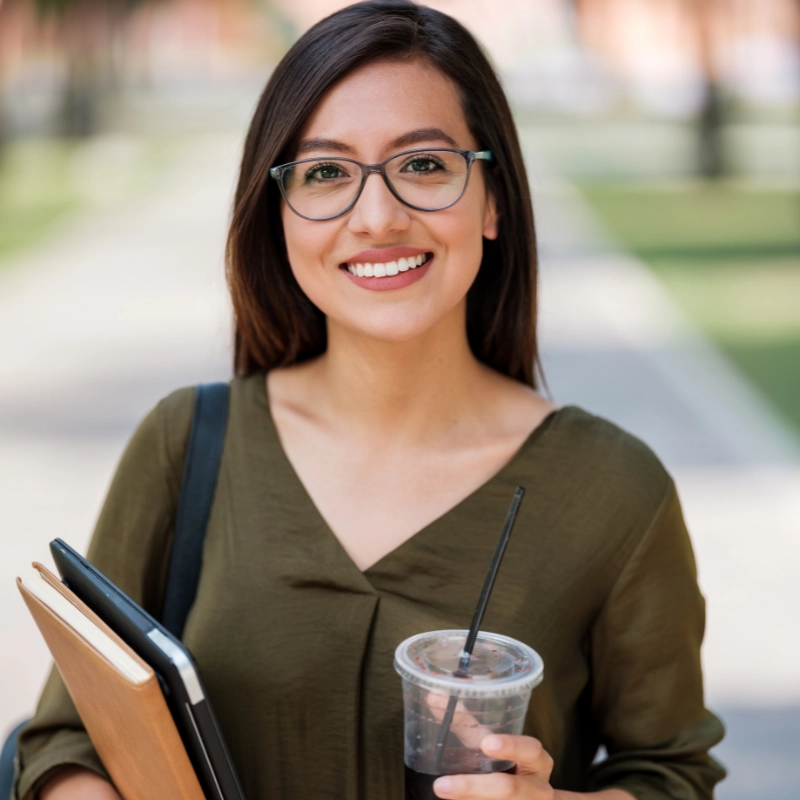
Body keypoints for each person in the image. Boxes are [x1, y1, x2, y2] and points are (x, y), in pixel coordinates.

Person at [15, 2, 726, 799]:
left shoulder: (614, 490)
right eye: (326, 173)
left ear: (493, 200)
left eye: (424, 165)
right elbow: (65, 735)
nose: (379, 216)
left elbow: (671, 772)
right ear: (278, 217)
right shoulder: (187, 442)